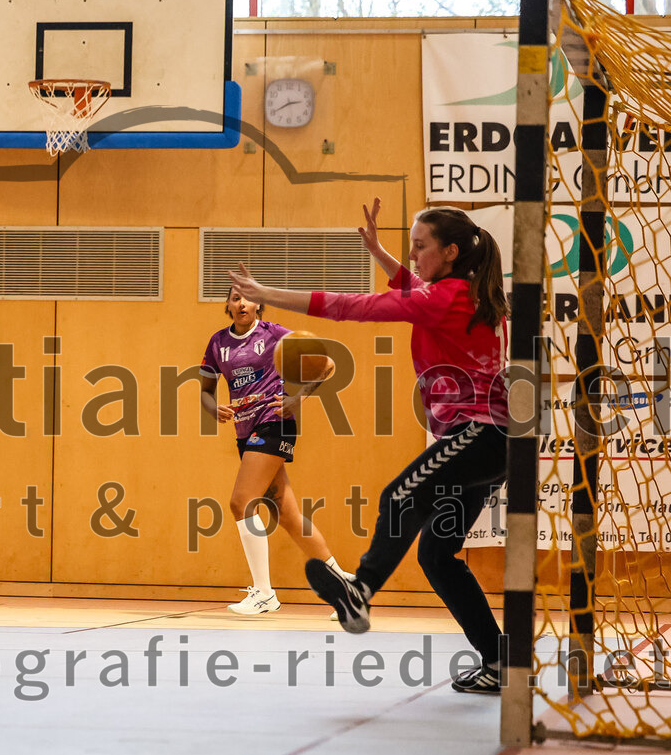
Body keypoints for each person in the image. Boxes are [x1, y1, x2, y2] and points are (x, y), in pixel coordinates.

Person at [228, 199, 509, 694]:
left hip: (480, 435)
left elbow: (353, 307)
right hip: (485, 440)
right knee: (438, 556)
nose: (414, 255)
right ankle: (500, 662)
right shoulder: (458, 292)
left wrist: (264, 292)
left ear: (449, 251)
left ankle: (359, 591)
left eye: (420, 247)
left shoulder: (446, 298)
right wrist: (381, 252)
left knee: (399, 498)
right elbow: (416, 289)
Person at [200, 286, 351, 615]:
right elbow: (206, 391)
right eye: (235, 298)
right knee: (287, 515)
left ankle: (264, 593)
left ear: (259, 304)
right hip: (245, 431)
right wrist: (213, 409)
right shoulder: (217, 343)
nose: (241, 304)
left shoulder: (276, 335)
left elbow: (326, 366)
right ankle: (345, 586)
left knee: (241, 502)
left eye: (247, 298)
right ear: (227, 305)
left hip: (273, 423)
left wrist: (298, 398)